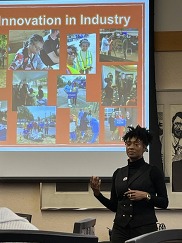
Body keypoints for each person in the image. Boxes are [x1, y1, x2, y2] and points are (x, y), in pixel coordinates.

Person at [90, 125, 168, 243]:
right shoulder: (118, 173)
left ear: (144, 148)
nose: (131, 147)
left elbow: (164, 202)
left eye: (136, 144)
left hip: (144, 228)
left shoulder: (153, 171)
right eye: (128, 143)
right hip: (120, 230)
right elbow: (114, 206)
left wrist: (146, 196)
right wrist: (97, 193)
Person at [171, 112, 182, 191]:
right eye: (177, 124)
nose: (180, 128)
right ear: (173, 123)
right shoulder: (167, 139)